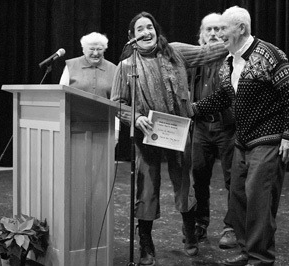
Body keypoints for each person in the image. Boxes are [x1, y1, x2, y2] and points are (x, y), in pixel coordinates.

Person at [110, 11, 227, 264]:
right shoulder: (126, 66)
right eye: (139, 29)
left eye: (149, 27)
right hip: (147, 134)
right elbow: (117, 104)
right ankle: (145, 243)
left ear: (156, 30)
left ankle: (189, 232)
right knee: (147, 185)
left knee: (184, 183)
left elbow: (209, 53)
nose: (145, 32)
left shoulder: (175, 52)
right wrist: (135, 118)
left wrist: (237, 37)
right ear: (132, 37)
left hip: (178, 130)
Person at [192, 6, 289, 266]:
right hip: (243, 140)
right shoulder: (230, 61)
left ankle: (260, 257)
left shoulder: (268, 54)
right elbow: (224, 97)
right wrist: (193, 109)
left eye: (223, 29)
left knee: (259, 199)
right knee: (239, 197)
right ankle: (246, 249)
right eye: (215, 29)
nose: (218, 34)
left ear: (241, 28)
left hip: (269, 139)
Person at [188, 13, 237, 249]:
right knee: (199, 177)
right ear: (201, 35)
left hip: (227, 126)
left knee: (233, 179)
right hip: (200, 126)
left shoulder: (233, 59)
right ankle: (200, 223)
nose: (214, 34)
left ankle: (232, 227)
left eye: (219, 29)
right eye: (209, 30)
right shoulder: (193, 61)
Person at [59, 31, 117, 99]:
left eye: (99, 49)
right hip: (75, 109)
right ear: (83, 50)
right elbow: (61, 93)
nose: (95, 53)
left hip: (104, 109)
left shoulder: (114, 69)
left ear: (104, 50)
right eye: (91, 49)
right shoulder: (71, 66)